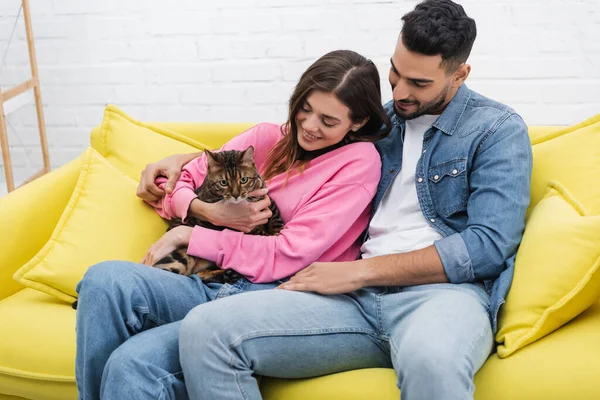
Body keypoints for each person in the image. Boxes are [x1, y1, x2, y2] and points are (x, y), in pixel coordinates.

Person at [140, 1, 534, 399]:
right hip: (350, 300)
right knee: (206, 329)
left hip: (439, 295)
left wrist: (363, 272)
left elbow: (487, 246)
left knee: (431, 361)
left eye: (419, 82)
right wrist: (180, 160)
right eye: (395, 72)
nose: (400, 92)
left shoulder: (496, 130)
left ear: (459, 73)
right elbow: (284, 144)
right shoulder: (378, 122)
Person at [74, 49, 392, 400]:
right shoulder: (268, 138)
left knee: (132, 364)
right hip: (208, 281)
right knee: (104, 280)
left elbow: (289, 254)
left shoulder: (357, 163)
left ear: (358, 122)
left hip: (268, 298)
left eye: (328, 121)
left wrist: (191, 233)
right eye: (305, 108)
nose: (309, 126)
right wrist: (209, 213)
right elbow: (175, 186)